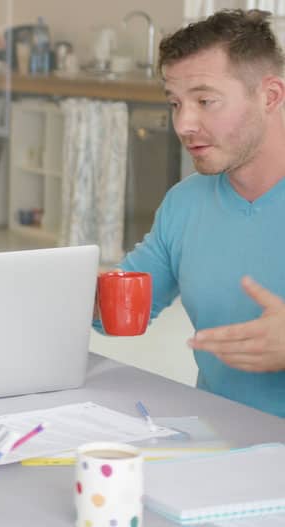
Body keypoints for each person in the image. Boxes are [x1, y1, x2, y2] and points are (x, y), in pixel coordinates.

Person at [106, 9, 285, 416]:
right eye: (175, 103)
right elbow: (123, 304)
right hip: (219, 443)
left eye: (206, 101)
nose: (184, 124)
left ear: (270, 95)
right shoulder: (186, 203)